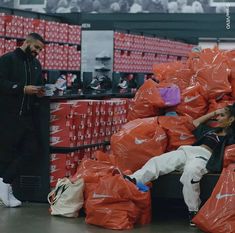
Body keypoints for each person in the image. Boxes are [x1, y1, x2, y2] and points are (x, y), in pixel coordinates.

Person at [125, 104, 235, 226]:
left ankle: (193, 211)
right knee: (158, 161)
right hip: (187, 151)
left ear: (231, 120)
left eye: (222, 115)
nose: (218, 118)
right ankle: (134, 179)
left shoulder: (231, 137)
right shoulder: (211, 130)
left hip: (204, 157)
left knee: (191, 173)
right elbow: (195, 122)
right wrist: (214, 113)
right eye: (218, 115)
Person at [0, 33, 45, 207]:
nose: (38, 52)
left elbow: (40, 83)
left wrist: (41, 90)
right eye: (36, 47)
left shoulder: (35, 64)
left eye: (40, 49)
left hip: (26, 117)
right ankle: (5, 188)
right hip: (7, 116)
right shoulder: (7, 60)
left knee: (31, 150)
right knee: (6, 155)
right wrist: (21, 89)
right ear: (26, 42)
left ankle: (4, 183)